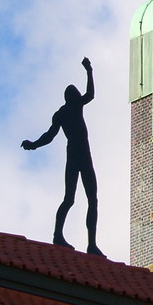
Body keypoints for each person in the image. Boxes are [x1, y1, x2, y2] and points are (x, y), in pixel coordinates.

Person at [21, 57, 104, 256]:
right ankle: (62, 236)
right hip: (78, 156)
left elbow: (49, 136)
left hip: (82, 156)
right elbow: (90, 95)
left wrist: (34, 145)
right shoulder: (71, 109)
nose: (78, 96)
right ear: (71, 98)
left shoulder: (65, 111)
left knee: (85, 198)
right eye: (75, 94)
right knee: (77, 198)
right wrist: (89, 70)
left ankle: (90, 243)